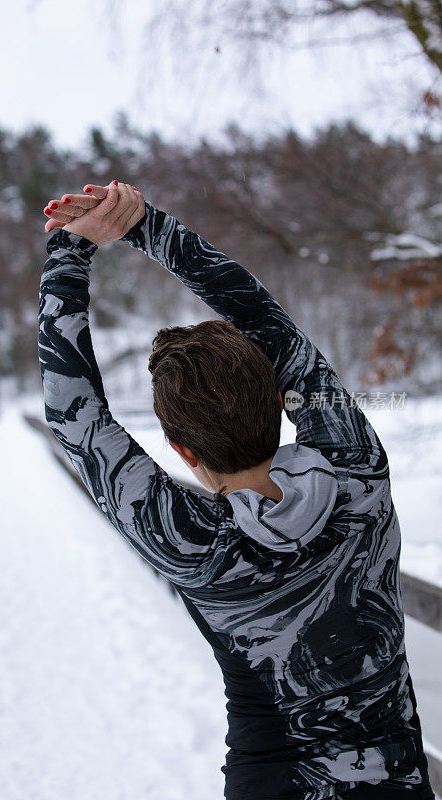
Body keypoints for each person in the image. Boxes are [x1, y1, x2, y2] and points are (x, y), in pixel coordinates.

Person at [38, 180, 435, 800]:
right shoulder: (360, 478)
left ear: (181, 451)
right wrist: (144, 225)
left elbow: (76, 421)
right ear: (282, 402)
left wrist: (72, 249)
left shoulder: (195, 543)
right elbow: (267, 322)